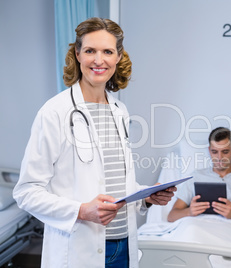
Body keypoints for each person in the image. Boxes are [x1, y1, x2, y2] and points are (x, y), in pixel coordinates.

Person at [13, 17, 176, 268]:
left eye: (107, 51)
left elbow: (114, 181)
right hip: (80, 249)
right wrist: (81, 210)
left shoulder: (120, 110)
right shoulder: (54, 112)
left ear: (118, 57)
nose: (99, 60)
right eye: (90, 51)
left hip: (124, 246)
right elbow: (26, 192)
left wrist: (146, 197)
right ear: (78, 54)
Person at [167, 127, 231, 228]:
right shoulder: (195, 177)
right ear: (209, 150)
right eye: (215, 152)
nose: (219, 158)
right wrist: (189, 211)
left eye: (225, 152)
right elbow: (171, 216)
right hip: (199, 227)